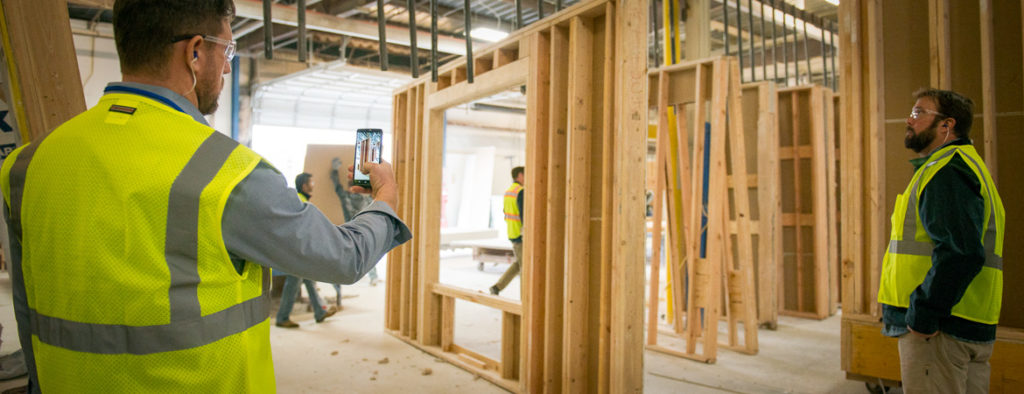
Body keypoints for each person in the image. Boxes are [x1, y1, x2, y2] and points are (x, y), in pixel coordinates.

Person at [0, 1, 410, 392]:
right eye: (227, 49)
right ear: (195, 52)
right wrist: (385, 197)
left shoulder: (27, 165)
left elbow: (27, 311)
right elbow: (343, 257)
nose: (228, 66)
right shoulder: (227, 173)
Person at [877, 89, 1005, 394]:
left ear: (947, 125)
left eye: (920, 113)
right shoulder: (964, 167)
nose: (909, 119)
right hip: (965, 323)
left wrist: (924, 314)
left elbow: (961, 254)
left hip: (939, 331)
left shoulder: (947, 172)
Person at [275, 173, 338, 328]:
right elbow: (300, 228)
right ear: (304, 186)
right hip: (296, 251)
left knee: (309, 279)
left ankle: (319, 310)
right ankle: (282, 317)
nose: (313, 184)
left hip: (297, 249)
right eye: (311, 182)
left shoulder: (299, 199)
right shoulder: (299, 201)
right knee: (293, 282)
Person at [331, 158, 377, 287]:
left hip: (349, 233)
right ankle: (373, 277)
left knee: (348, 257)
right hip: (363, 232)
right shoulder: (367, 199)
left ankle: (338, 283)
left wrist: (335, 170)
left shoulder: (347, 197)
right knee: (367, 255)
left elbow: (337, 186)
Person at [490, 166, 524, 296]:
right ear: (519, 176)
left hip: (512, 232)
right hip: (521, 235)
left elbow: (506, 212)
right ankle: (525, 299)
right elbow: (524, 216)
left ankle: (497, 287)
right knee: (524, 268)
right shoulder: (520, 191)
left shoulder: (509, 191)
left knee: (518, 263)